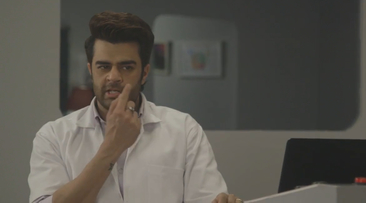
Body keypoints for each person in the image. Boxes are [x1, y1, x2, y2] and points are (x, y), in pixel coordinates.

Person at [28, 11, 242, 203]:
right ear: (91, 70)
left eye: (126, 67)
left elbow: (206, 198)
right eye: (103, 66)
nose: (113, 77)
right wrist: (112, 147)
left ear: (145, 72)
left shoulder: (184, 130)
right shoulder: (53, 136)